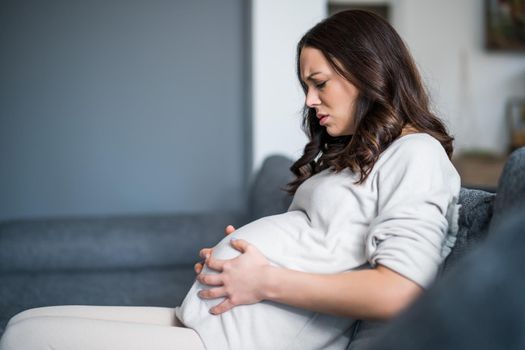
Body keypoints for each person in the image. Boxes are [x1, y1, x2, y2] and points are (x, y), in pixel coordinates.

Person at [0, 9, 460, 350]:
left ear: (367, 71)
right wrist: (238, 260)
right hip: (222, 323)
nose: (309, 101)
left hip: (245, 342)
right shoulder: (358, 155)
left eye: (319, 83)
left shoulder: (416, 154)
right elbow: (318, 248)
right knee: (23, 323)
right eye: (305, 86)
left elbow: (400, 292)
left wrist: (262, 280)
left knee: (28, 340)